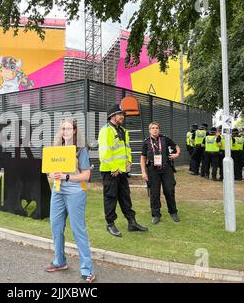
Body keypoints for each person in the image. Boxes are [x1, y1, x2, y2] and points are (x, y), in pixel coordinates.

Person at [44, 118, 95, 283]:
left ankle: (88, 270)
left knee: (78, 230)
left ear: (74, 130)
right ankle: (60, 262)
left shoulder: (81, 150)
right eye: (62, 129)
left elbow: (86, 175)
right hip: (58, 191)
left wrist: (66, 176)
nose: (64, 131)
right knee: (56, 227)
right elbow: (51, 171)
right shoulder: (56, 149)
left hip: (76, 192)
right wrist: (52, 174)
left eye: (67, 128)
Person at [98, 104, 148, 237]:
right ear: (112, 116)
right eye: (120, 114)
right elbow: (104, 153)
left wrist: (129, 161)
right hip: (110, 171)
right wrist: (113, 168)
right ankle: (110, 224)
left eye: (123, 115)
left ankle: (132, 222)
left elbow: (127, 148)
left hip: (122, 171)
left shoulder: (124, 131)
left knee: (125, 197)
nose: (123, 117)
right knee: (110, 198)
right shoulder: (106, 131)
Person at [140, 122, 181, 224]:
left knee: (169, 190)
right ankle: (156, 215)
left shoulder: (165, 139)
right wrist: (143, 172)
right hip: (152, 170)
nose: (155, 129)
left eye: (157, 128)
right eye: (152, 128)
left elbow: (177, 146)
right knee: (154, 193)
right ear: (149, 130)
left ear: (159, 129)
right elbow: (143, 158)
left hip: (166, 168)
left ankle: (173, 212)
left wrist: (177, 154)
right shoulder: (146, 142)